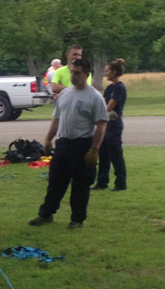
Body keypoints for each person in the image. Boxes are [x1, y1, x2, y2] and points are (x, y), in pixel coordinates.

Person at [29, 56, 107, 230]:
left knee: (80, 184)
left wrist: (94, 150)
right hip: (63, 144)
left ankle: (77, 219)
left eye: (77, 73)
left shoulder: (94, 97)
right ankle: (46, 214)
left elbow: (101, 125)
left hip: (83, 145)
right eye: (71, 72)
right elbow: (57, 119)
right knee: (55, 182)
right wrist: (49, 139)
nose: (72, 76)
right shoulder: (64, 93)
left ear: (86, 74)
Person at [93, 59, 127, 192]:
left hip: (114, 124)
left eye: (107, 71)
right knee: (103, 154)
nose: (105, 73)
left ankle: (121, 183)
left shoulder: (119, 88)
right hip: (105, 124)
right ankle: (102, 182)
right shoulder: (110, 88)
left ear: (114, 72)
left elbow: (109, 106)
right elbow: (102, 102)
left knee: (116, 154)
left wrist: (97, 114)